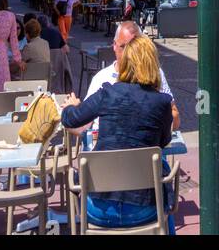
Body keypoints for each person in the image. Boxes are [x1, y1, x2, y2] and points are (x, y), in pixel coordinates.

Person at [61, 35, 173, 230]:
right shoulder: (162, 102)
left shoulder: (107, 93)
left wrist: (71, 106)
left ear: (125, 62)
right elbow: (162, 142)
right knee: (161, 170)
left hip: (99, 209)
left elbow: (70, 119)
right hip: (144, 208)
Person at [79, 21, 180, 132]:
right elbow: (83, 124)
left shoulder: (154, 73)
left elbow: (175, 118)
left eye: (133, 48)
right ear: (114, 45)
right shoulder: (102, 78)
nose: (128, 54)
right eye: (123, 47)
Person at [25, 10, 71, 95]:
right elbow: (66, 49)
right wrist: (58, 55)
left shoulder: (37, 36)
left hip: (39, 71)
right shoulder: (56, 32)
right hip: (56, 68)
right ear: (48, 24)